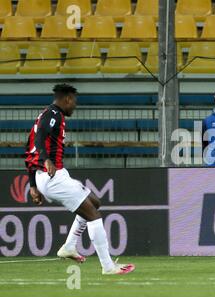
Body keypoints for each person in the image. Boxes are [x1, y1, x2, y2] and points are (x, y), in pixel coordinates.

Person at [25, 84, 135, 275]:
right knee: (92, 214)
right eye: (74, 101)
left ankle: (69, 246)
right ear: (67, 99)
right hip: (52, 176)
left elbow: (29, 149)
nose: (75, 105)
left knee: (94, 202)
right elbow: (40, 138)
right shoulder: (53, 114)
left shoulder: (45, 114)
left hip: (48, 174)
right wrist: (46, 159)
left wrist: (33, 184)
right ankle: (108, 266)